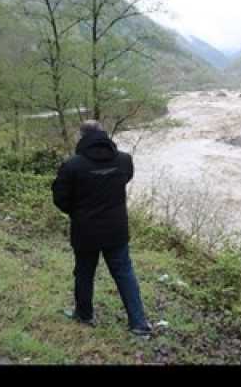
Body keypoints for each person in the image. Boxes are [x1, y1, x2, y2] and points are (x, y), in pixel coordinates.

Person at [52, 120, 153, 336]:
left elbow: (60, 198)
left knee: (84, 273)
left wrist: (77, 212)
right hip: (116, 229)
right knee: (125, 273)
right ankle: (139, 324)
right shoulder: (124, 160)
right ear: (104, 134)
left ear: (81, 137)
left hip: (85, 230)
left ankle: (84, 315)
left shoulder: (72, 165)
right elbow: (124, 179)